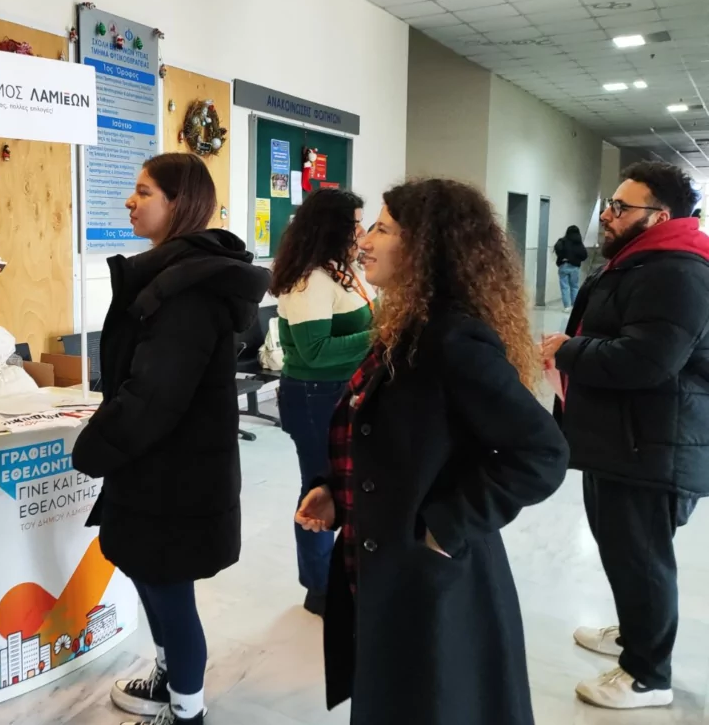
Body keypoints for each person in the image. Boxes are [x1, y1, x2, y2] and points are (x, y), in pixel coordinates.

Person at [297, 178, 570, 725]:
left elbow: (543, 451)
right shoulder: (408, 326)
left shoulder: (452, 340)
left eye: (382, 229)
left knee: (432, 703)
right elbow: (395, 441)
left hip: (432, 578)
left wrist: (448, 525)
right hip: (389, 566)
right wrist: (336, 492)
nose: (364, 241)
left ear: (425, 247)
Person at [72, 153, 270, 725]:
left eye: (143, 192)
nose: (130, 201)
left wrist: (95, 446)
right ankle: (167, 679)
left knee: (169, 593)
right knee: (151, 578)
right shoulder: (174, 275)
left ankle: (187, 713)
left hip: (173, 477)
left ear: (178, 203)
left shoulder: (188, 290)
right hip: (157, 470)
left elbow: (154, 396)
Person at [542, 161, 709, 711]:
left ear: (658, 216)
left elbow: (647, 360)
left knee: (642, 557)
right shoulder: (642, 261)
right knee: (622, 548)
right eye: (610, 204)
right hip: (626, 438)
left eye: (620, 207)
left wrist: (567, 350)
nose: (608, 215)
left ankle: (647, 673)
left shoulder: (677, 271)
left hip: (653, 445)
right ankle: (634, 632)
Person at [268, 189, 370, 617]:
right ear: (333, 228)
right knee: (317, 488)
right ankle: (319, 588)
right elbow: (315, 352)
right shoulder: (309, 280)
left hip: (338, 391)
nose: (363, 233)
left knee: (341, 487)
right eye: (356, 224)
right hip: (315, 395)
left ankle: (340, 578)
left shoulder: (340, 271)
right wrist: (381, 335)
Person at [554, 225, 588, 311]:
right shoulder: (579, 243)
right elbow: (584, 255)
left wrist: (563, 257)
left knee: (564, 287)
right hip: (575, 267)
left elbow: (557, 249)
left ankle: (567, 307)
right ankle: (574, 306)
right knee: (574, 287)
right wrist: (576, 259)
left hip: (564, 266)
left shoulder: (562, 241)